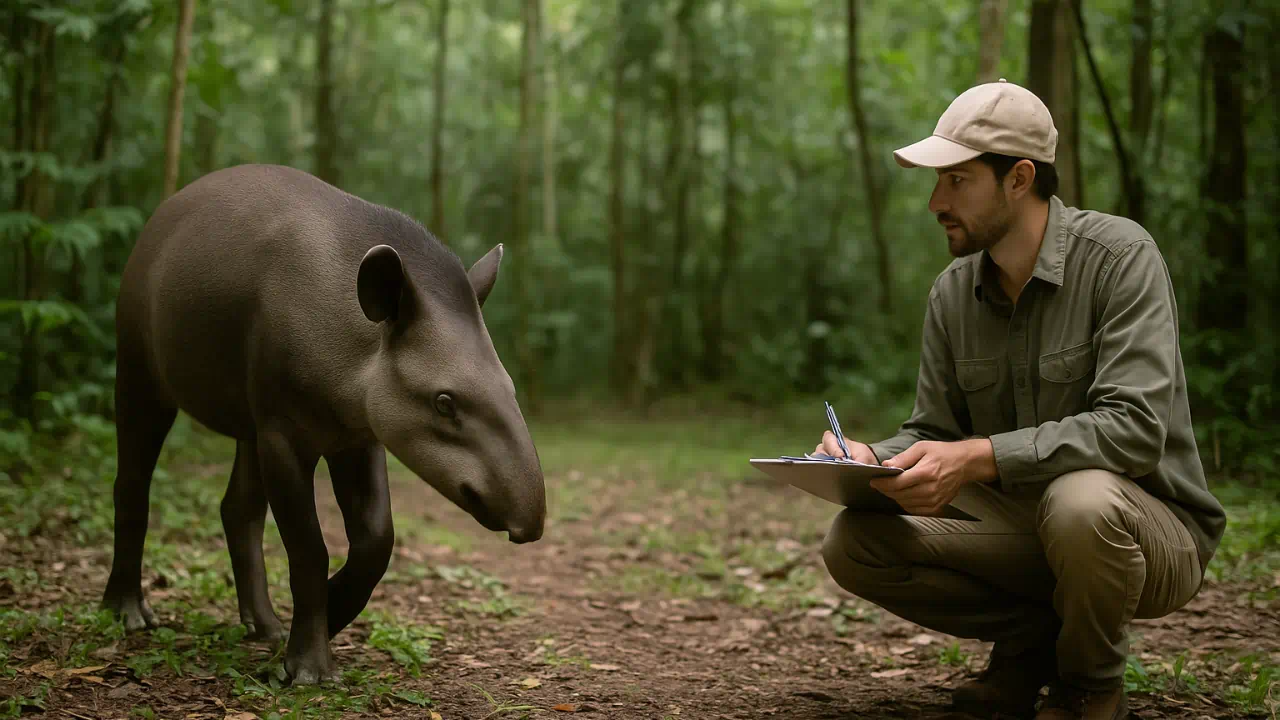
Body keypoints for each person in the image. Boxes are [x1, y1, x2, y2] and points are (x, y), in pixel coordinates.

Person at [815, 79, 1226, 720]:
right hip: (1027, 529)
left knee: (1080, 500)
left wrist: (978, 457)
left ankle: (1091, 687)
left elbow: (1134, 430)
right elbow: (932, 429)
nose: (935, 203)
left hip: (1151, 536)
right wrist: (869, 456)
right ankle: (1033, 646)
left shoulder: (1121, 258)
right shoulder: (952, 294)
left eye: (957, 181)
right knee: (854, 541)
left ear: (1019, 178)